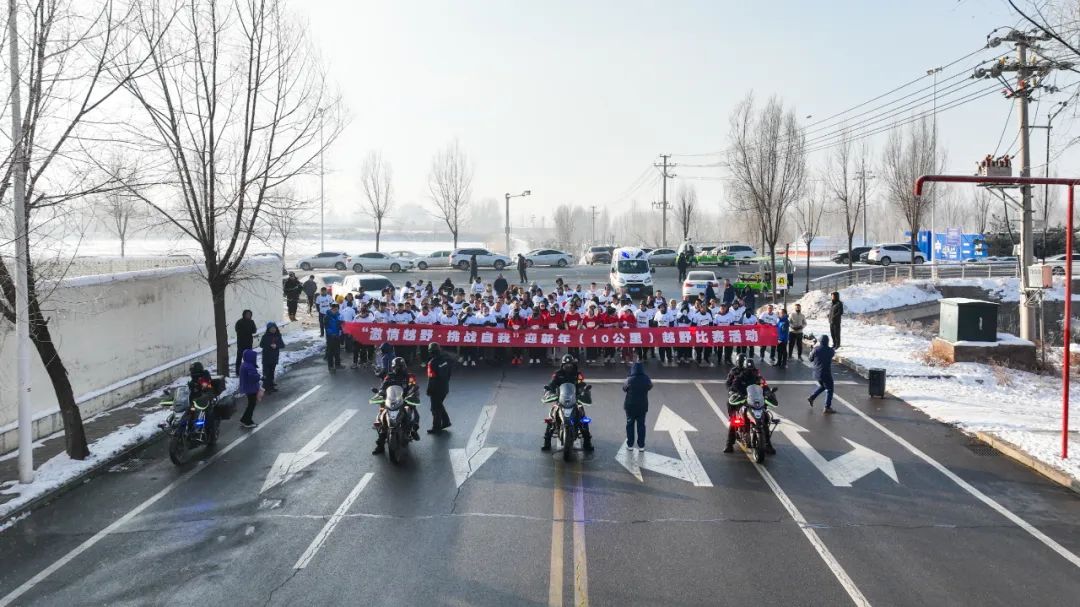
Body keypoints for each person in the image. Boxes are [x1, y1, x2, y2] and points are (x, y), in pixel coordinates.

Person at [542, 354, 593, 452]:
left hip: (575, 399)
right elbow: (551, 384)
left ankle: (587, 442)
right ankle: (546, 442)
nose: (568, 367)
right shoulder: (557, 374)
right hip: (561, 399)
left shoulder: (578, 374)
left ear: (573, 364)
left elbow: (581, 384)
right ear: (562, 365)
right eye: (566, 365)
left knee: (583, 418)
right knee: (551, 417)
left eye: (570, 365)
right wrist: (549, 390)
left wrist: (584, 390)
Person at [724, 355, 773, 453]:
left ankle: (768, 444)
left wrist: (767, 392)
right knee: (735, 420)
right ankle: (729, 444)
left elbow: (764, 385)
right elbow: (732, 385)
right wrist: (734, 392)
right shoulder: (738, 376)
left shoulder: (758, 377)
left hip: (755, 401)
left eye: (752, 369)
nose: (750, 371)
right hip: (743, 401)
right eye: (748, 369)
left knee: (765, 418)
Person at [371, 357, 421, 454]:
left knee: (413, 413)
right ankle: (380, 446)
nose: (397, 369)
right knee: (382, 418)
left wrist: (412, 393)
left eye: (399, 367)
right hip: (391, 401)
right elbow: (383, 386)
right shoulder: (389, 376)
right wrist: (380, 393)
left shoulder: (409, 376)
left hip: (404, 400)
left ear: (403, 366)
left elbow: (414, 386)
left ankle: (413, 431)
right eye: (395, 367)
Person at [622, 362, 653, 451]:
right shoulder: (646, 378)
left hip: (630, 406)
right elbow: (650, 386)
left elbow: (624, 389)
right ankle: (641, 446)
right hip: (642, 406)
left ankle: (630, 445)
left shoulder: (629, 379)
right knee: (641, 426)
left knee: (630, 425)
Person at [426, 343, 453, 433]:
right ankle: (446, 421)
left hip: (435, 388)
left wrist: (430, 389)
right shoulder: (446, 360)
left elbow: (432, 378)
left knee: (435, 408)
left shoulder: (431, 363)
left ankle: (436, 427)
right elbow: (449, 373)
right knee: (439, 405)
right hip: (444, 386)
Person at [808, 335, 836, 413]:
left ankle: (812, 397)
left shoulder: (815, 349)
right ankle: (827, 407)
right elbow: (832, 353)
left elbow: (810, 359)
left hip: (816, 373)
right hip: (826, 373)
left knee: (823, 386)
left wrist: (812, 349)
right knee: (830, 389)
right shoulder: (830, 350)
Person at [238, 349, 262, 428]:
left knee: (251, 404)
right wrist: (259, 376)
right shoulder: (249, 366)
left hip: (248, 387)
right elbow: (253, 378)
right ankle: (247, 421)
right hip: (251, 388)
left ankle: (245, 419)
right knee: (251, 405)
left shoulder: (245, 364)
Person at [259, 322, 285, 392]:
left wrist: (276, 346)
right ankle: (266, 387)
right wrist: (269, 346)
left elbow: (282, 345)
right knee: (266, 373)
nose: (273, 330)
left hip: (274, 357)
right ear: (268, 329)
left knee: (272, 372)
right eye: (271, 328)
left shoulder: (278, 336)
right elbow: (261, 345)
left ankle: (271, 385)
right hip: (266, 357)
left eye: (274, 328)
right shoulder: (265, 336)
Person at [234, 309, 257, 376]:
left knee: (248, 357)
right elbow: (237, 330)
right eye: (247, 314)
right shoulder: (239, 322)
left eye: (249, 314)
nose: (248, 315)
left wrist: (250, 330)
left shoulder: (251, 322)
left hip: (249, 342)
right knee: (239, 357)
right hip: (241, 342)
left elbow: (254, 330)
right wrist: (245, 331)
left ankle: (248, 370)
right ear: (244, 315)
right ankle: (238, 372)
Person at [325, 303, 343, 371]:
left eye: (337, 309)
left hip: (337, 336)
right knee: (330, 352)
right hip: (331, 337)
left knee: (337, 351)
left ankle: (338, 364)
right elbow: (327, 327)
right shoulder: (327, 316)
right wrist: (331, 334)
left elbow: (339, 325)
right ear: (332, 309)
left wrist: (341, 327)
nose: (336, 311)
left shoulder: (338, 316)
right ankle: (330, 366)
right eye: (335, 309)